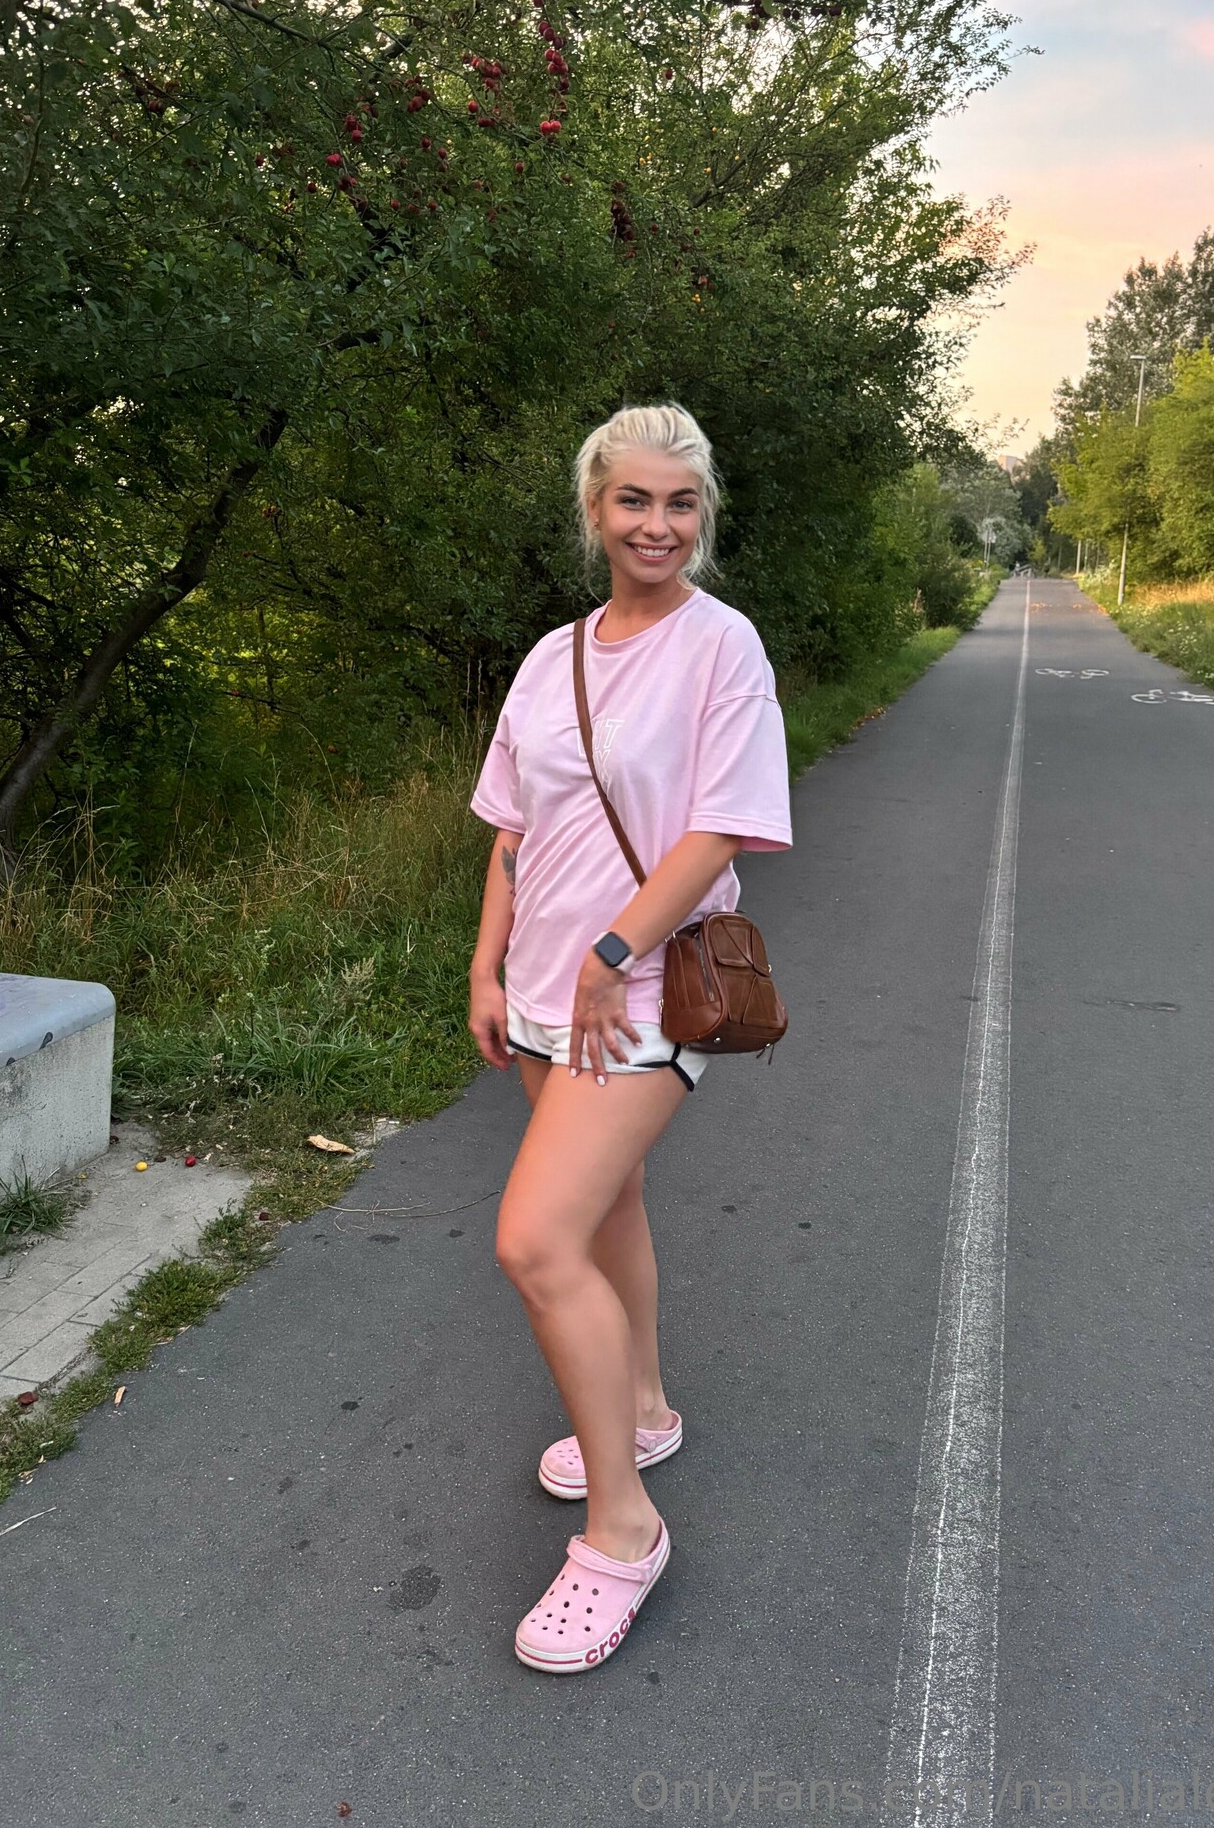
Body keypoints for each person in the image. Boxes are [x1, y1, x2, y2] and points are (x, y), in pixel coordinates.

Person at [466, 403, 793, 1674]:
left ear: (702, 516)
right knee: (608, 1209)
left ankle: (623, 1529)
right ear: (595, 511)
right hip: (546, 993)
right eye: (634, 501)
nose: (658, 525)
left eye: (680, 503)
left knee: (534, 1241)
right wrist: (488, 965)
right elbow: (514, 827)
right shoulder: (553, 657)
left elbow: (719, 828)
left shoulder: (723, 647)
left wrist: (613, 955)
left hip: (647, 991)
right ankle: (644, 1407)